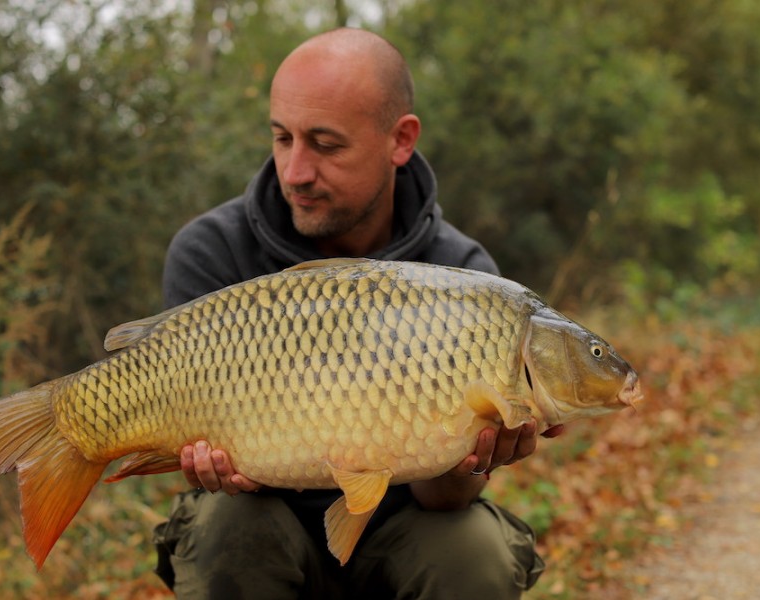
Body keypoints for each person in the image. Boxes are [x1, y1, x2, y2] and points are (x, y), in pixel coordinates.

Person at [155, 27, 561, 599]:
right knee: (228, 530)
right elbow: (212, 470)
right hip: (263, 521)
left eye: (325, 144)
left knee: (475, 548)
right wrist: (214, 467)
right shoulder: (212, 252)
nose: (294, 171)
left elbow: (444, 500)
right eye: (281, 138)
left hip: (401, 530)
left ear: (400, 140)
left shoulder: (467, 278)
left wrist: (469, 459)